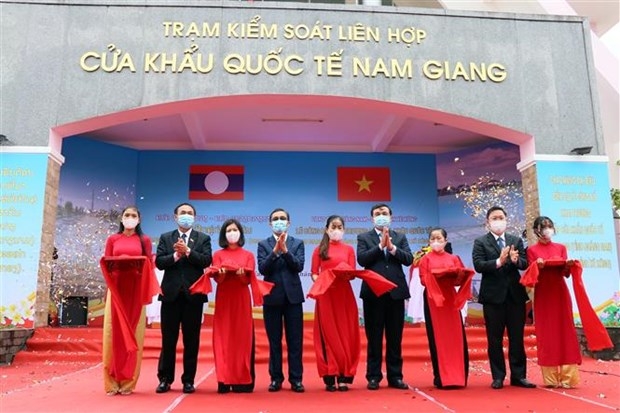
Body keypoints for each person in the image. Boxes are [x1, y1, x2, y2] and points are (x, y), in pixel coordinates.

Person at [522, 216, 612, 389]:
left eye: (549, 226)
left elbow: (565, 273)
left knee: (565, 332)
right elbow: (532, 275)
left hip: (560, 293)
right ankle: (551, 379)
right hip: (543, 295)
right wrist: (537, 266)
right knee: (547, 333)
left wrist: (569, 264)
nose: (547, 229)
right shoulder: (532, 251)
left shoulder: (561, 248)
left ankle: (568, 377)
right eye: (543, 227)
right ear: (536, 230)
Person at [472, 206, 534, 390]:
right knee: (494, 339)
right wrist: (499, 261)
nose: (498, 221)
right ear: (487, 222)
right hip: (492, 297)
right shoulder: (480, 242)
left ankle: (519, 376)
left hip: (515, 296)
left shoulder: (515, 240)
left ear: (506, 220)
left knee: (517, 338)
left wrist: (515, 260)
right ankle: (498, 376)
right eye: (494, 218)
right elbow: (479, 265)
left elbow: (525, 264)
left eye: (501, 217)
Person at [100, 206, 159, 395]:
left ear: (139, 219)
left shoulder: (144, 240)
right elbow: (106, 263)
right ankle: (110, 382)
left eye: (134, 215)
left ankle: (128, 382)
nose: (130, 218)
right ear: (121, 218)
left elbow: (149, 265)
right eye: (127, 215)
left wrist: (137, 265)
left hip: (135, 290)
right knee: (112, 333)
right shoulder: (112, 239)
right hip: (116, 290)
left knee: (134, 333)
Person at [155, 203, 212, 394]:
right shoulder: (166, 237)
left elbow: (206, 261)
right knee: (168, 340)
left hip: (193, 296)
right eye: (183, 213)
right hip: (170, 296)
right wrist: (176, 255)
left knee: (191, 340)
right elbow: (160, 263)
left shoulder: (203, 238)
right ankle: (165, 379)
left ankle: (188, 380)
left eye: (189, 213)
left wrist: (187, 251)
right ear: (175, 217)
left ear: (194, 217)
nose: (186, 216)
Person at [356, 203, 413, 390]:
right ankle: (373, 376)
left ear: (391, 216)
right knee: (374, 337)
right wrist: (380, 247)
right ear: (372, 218)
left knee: (395, 337)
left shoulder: (400, 237)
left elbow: (408, 259)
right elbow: (362, 259)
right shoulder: (364, 237)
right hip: (373, 293)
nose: (381, 216)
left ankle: (395, 376)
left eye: (385, 213)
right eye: (377, 214)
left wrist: (392, 248)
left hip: (396, 293)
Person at [257, 208, 306, 393]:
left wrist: (285, 251)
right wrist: (275, 252)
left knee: (295, 341)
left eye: (282, 218)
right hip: (272, 298)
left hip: (293, 298)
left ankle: (296, 379)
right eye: (275, 219)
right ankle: (276, 378)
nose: (279, 221)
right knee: (274, 341)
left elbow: (298, 266)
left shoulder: (297, 243)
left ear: (289, 223)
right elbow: (263, 269)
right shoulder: (263, 244)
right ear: (270, 224)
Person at [418, 227, 474, 389]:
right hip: (433, 300)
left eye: (439, 238)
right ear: (429, 241)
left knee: (455, 335)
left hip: (450, 299)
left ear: (445, 241)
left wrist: (454, 275)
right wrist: (437, 275)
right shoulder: (425, 260)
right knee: (437, 337)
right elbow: (423, 280)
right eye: (433, 238)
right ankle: (441, 377)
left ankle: (459, 376)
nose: (436, 241)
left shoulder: (454, 258)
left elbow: (459, 279)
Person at [310, 215, 359, 392]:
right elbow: (314, 273)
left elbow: (352, 273)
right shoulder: (319, 250)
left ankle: (344, 376)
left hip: (344, 295)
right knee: (328, 333)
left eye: (339, 227)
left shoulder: (349, 249)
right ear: (326, 229)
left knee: (346, 333)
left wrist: (346, 274)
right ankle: (330, 376)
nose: (336, 229)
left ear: (344, 230)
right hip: (326, 295)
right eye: (333, 226)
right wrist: (323, 280)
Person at [211, 219, 259, 393]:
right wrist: (222, 274)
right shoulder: (218, 254)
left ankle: (242, 380)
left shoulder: (248, 255)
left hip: (241, 299)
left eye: (235, 229)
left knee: (241, 338)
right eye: (229, 230)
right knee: (223, 337)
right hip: (224, 298)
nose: (232, 233)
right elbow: (217, 279)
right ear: (224, 234)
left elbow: (247, 280)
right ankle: (224, 380)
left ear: (240, 233)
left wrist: (240, 275)